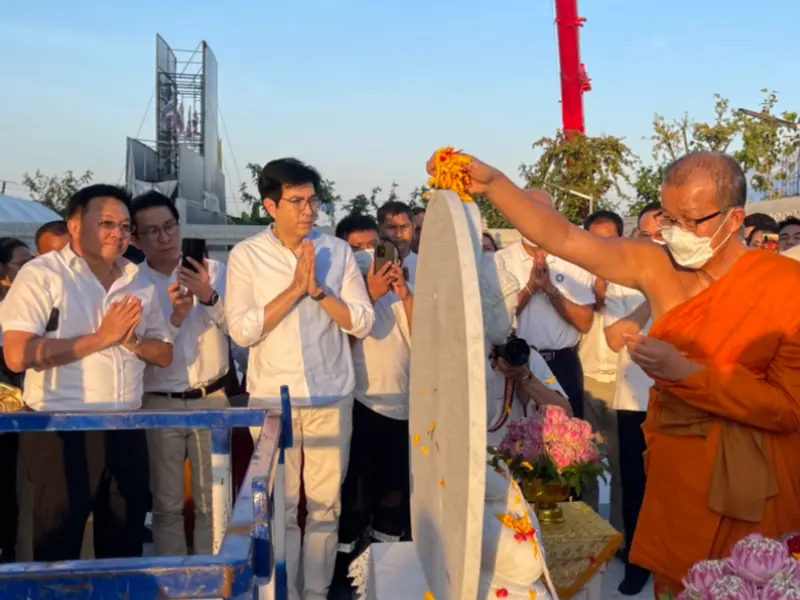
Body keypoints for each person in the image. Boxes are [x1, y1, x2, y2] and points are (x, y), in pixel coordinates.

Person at [428, 150, 800, 597]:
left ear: (735, 217)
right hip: (680, 476)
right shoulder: (655, 264)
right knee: (677, 583)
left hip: (757, 490)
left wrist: (689, 373)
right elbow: (566, 239)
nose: (676, 233)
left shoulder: (785, 285)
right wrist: (494, 185)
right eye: (668, 218)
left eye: (691, 220)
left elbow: (789, 407)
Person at [225, 158, 374, 600]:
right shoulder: (246, 256)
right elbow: (243, 330)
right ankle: (281, 592)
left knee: (327, 507)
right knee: (282, 508)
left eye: (312, 200)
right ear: (270, 206)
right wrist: (293, 289)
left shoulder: (337, 251)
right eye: (296, 201)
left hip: (332, 395)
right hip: (275, 399)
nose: (308, 210)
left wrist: (318, 292)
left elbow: (362, 322)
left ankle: (316, 592)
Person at [0, 184, 174, 561]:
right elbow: (16, 355)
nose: (119, 234)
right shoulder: (42, 275)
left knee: (125, 545)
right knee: (59, 545)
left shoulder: (137, 278)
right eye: (107, 223)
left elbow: (163, 353)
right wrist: (101, 338)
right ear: (75, 226)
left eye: (126, 226)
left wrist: (131, 343)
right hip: (60, 429)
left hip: (127, 426)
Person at [131, 191, 230, 556]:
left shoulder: (215, 270)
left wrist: (208, 296)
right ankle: (174, 586)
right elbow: (135, 347)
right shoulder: (132, 283)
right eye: (152, 231)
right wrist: (173, 317)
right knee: (167, 504)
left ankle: (211, 583)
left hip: (212, 397)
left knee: (213, 502)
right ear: (135, 239)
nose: (165, 237)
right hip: (160, 402)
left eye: (170, 226)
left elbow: (242, 329)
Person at [335, 214, 413, 571]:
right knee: (352, 496)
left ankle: (387, 572)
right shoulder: (337, 290)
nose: (366, 254)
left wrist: (404, 294)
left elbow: (426, 340)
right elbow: (336, 344)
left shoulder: (404, 285)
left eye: (372, 246)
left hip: (405, 406)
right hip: (360, 403)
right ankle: (341, 573)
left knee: (394, 497)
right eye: (356, 249)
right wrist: (368, 295)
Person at [602, 203, 662, 595]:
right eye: (647, 236)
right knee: (636, 484)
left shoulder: (698, 277)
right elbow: (613, 338)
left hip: (684, 396)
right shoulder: (621, 280)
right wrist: (653, 294)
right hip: (634, 396)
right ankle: (639, 560)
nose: (655, 244)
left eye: (663, 236)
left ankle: (675, 554)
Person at [495, 200, 595, 419]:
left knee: (568, 442)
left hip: (562, 364)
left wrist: (550, 289)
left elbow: (584, 322)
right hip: (516, 363)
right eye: (527, 213)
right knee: (516, 442)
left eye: (541, 214)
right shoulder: (499, 262)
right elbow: (495, 318)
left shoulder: (573, 260)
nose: (534, 221)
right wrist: (530, 287)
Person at [578, 210, 624, 537]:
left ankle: (622, 537)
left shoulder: (635, 279)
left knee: (623, 469)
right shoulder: (574, 277)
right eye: (596, 238)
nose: (603, 246)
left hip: (624, 385)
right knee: (585, 466)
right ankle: (590, 538)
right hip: (585, 380)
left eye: (610, 239)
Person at [377, 201, 418, 283]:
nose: (398, 234)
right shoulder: (370, 264)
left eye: (404, 227)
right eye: (391, 227)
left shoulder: (426, 265)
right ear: (380, 230)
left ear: (413, 228)